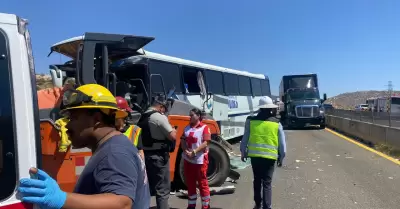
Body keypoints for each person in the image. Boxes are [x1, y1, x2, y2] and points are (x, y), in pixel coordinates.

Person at [18, 84, 150, 209]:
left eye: (73, 118)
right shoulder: (114, 145)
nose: (67, 126)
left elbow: (121, 204)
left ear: (97, 119)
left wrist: (60, 199)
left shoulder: (114, 152)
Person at [240, 97, 287, 209]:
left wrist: (243, 152)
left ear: (260, 109)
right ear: (271, 109)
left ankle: (258, 204)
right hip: (270, 157)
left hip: (255, 157)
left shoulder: (251, 121)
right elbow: (282, 144)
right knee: (267, 182)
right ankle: (267, 206)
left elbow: (245, 138)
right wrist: (281, 157)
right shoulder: (277, 123)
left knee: (257, 180)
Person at [137, 94, 177, 209]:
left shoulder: (143, 116)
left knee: (148, 187)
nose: (164, 110)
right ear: (160, 107)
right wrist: (174, 129)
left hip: (146, 155)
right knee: (163, 189)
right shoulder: (158, 117)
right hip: (159, 156)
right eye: (164, 108)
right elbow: (172, 136)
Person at [181, 108, 211, 209]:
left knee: (202, 183)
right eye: (190, 115)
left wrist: (194, 152)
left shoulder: (204, 128)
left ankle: (205, 206)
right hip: (188, 160)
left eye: (192, 115)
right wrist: (186, 151)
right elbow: (182, 140)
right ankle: (191, 205)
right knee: (190, 182)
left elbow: (206, 142)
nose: (190, 117)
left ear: (198, 116)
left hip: (200, 160)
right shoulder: (187, 128)